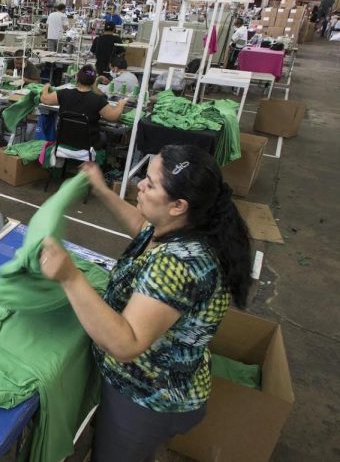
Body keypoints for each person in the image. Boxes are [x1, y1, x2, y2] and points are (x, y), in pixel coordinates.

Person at [39, 147, 252, 460]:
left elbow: (127, 343)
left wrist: (70, 277)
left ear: (178, 205)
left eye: (150, 184)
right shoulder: (180, 227)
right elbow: (143, 228)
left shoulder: (179, 264)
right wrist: (101, 189)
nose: (138, 184)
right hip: (161, 383)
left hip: (147, 397)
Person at [40, 64, 127, 148]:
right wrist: (121, 104)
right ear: (93, 82)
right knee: (104, 136)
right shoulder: (98, 100)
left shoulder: (64, 93)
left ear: (77, 78)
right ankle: (97, 161)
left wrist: (46, 87)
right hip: (88, 143)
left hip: (64, 139)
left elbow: (44, 99)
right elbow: (113, 117)